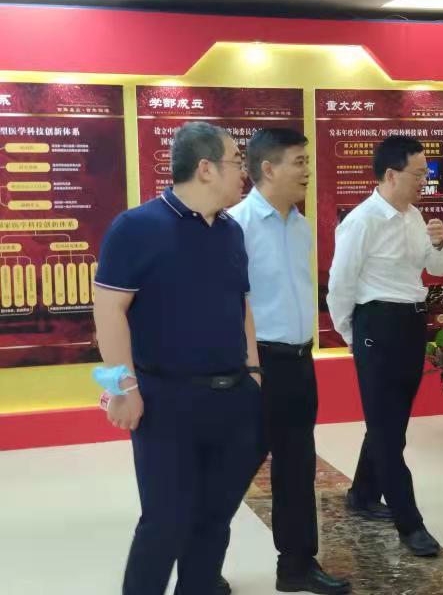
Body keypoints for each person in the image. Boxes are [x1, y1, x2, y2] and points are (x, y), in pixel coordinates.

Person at [93, 122, 263, 595]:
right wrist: (121, 388)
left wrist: (254, 372)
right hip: (165, 399)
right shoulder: (136, 227)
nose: (244, 173)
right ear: (205, 168)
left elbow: (241, 305)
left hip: (232, 397)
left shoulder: (230, 231)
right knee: (164, 521)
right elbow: (107, 312)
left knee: (215, 518)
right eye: (236, 161)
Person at [226, 129, 351, 594]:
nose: (307, 171)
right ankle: (200, 564)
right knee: (233, 469)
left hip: (299, 361)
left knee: (298, 465)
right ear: (268, 168)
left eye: (307, 161)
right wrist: (248, 367)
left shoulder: (301, 226)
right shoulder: (235, 226)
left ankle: (296, 565)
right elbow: (230, 303)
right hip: (257, 365)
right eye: (299, 162)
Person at [327, 136, 443, 557]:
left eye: (425, 173)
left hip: (411, 324)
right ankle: (409, 523)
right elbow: (340, 284)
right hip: (376, 326)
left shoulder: (414, 216)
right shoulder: (362, 221)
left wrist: (439, 243)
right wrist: (352, 335)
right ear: (390, 175)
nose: (424, 181)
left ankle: (363, 494)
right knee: (386, 429)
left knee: (391, 423)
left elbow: (436, 269)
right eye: (418, 173)